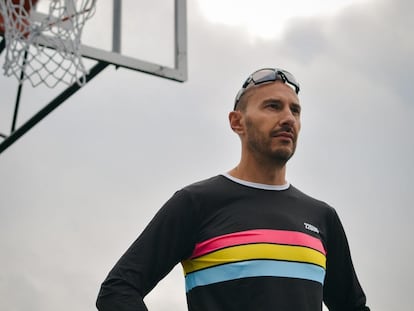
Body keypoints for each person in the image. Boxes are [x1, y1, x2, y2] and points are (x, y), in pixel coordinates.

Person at [96, 68, 370, 311]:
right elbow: (118, 290)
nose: (288, 118)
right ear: (237, 122)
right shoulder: (197, 203)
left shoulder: (322, 216)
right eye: (273, 106)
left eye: (295, 110)